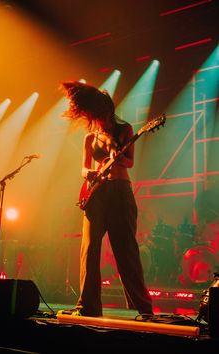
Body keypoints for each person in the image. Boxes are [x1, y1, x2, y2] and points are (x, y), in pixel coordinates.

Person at [59, 80, 153, 317]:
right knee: (89, 249)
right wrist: (88, 172)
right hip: (96, 194)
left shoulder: (125, 130)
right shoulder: (90, 138)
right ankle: (87, 306)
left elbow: (130, 162)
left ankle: (143, 309)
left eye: (99, 114)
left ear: (107, 111)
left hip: (120, 192)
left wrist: (117, 156)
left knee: (126, 251)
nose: (96, 119)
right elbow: (83, 168)